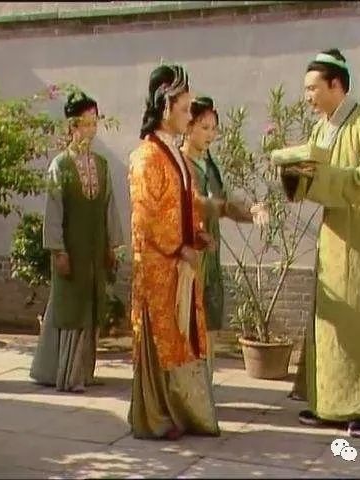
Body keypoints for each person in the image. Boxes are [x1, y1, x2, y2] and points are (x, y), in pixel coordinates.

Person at [276, 48, 360, 438]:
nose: (308, 96)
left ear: (336, 84)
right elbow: (309, 184)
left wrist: (323, 179)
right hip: (333, 230)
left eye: (313, 88)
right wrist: (292, 174)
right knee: (330, 320)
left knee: (359, 316)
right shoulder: (320, 130)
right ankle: (326, 403)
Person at [127, 64, 220, 440]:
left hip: (179, 264)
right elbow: (146, 219)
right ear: (165, 108)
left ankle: (179, 412)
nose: (188, 116)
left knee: (181, 338)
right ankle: (154, 417)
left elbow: (184, 203)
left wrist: (196, 234)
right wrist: (179, 245)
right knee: (159, 341)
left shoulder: (176, 155)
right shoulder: (146, 156)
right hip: (157, 264)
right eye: (184, 109)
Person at [30, 90, 123, 393]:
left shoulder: (102, 164)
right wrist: (58, 250)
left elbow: (109, 206)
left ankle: (85, 371)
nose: (91, 130)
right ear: (72, 126)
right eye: (86, 123)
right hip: (71, 249)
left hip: (95, 250)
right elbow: (53, 210)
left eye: (95, 123)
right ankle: (67, 374)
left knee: (92, 305)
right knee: (69, 307)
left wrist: (112, 245)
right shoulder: (60, 165)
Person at [179, 96, 254, 380]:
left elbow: (222, 202)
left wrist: (249, 211)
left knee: (209, 319)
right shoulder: (179, 164)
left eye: (213, 128)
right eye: (204, 127)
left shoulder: (209, 165)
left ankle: (204, 384)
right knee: (188, 320)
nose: (210, 134)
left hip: (210, 253)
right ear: (188, 127)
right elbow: (189, 206)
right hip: (187, 252)